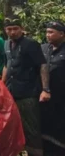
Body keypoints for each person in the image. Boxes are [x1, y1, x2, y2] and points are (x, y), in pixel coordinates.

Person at [2, 15, 50, 156]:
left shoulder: (30, 44)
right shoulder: (6, 44)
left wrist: (45, 89)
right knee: (15, 126)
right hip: (12, 91)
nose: (12, 32)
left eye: (15, 29)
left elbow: (42, 65)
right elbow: (6, 65)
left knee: (32, 127)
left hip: (28, 92)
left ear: (22, 29)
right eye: (9, 29)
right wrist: (2, 86)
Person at [41, 21, 65, 155]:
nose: (48, 35)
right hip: (46, 95)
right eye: (47, 32)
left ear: (61, 34)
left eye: (51, 32)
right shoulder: (44, 48)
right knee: (47, 128)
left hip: (61, 96)